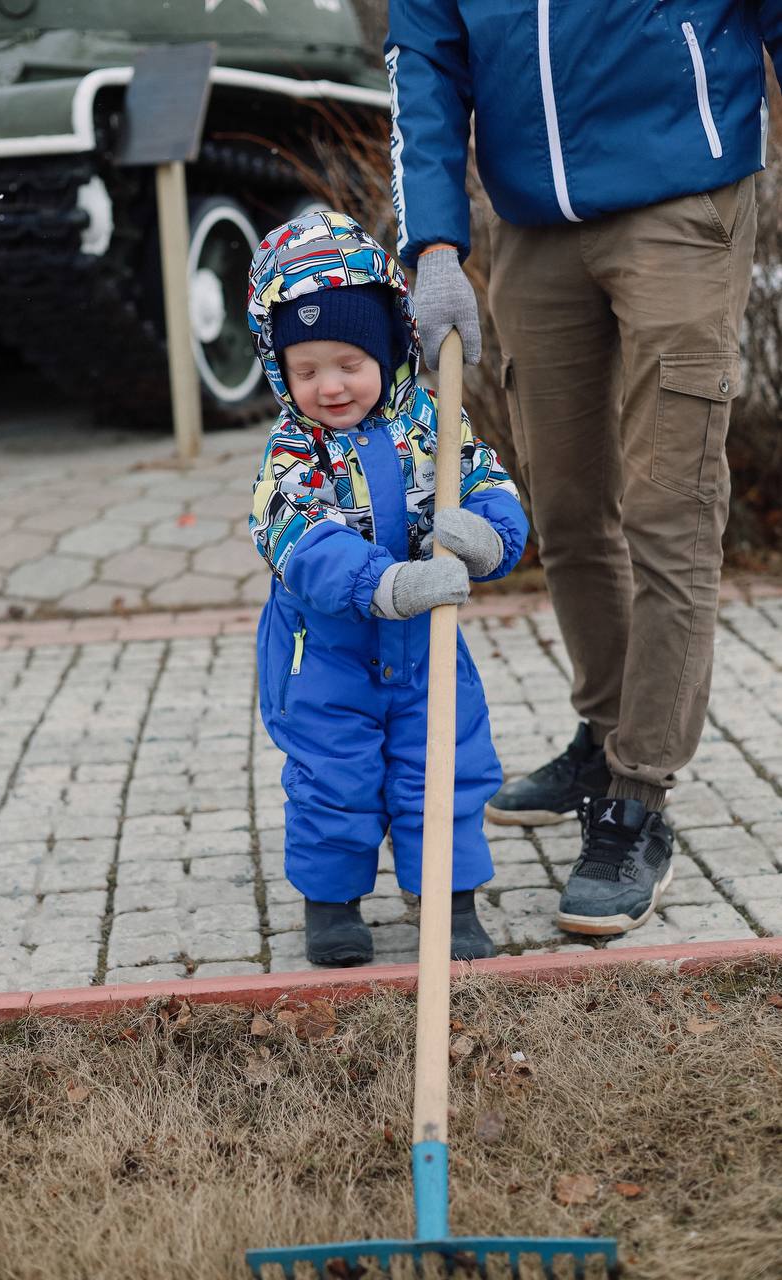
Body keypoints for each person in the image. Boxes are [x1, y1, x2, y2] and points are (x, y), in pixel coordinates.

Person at [385, 3, 780, 936]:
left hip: (681, 199)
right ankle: (605, 736)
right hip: (534, 227)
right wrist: (433, 245)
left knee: (667, 510)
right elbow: (424, 67)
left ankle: (637, 799)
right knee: (562, 510)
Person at [247, 211, 529, 967]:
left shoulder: (431, 422)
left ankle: (448, 896)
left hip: (426, 648)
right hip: (325, 657)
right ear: (280, 371)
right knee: (332, 778)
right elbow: (296, 541)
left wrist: (491, 534)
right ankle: (332, 904)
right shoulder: (290, 452)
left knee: (442, 764)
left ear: (386, 347)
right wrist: (388, 583)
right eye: (304, 371)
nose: (329, 386)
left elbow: (485, 482)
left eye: (347, 362)